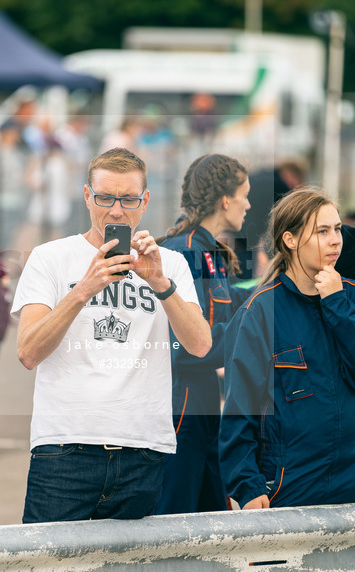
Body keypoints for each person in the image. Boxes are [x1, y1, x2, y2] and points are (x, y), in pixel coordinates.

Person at [12, 147, 212, 523]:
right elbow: (28, 351)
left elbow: (200, 344)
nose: (116, 210)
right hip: (64, 448)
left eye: (128, 199)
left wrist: (160, 284)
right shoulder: (50, 257)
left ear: (145, 201)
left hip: (143, 449)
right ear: (87, 196)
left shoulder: (169, 264)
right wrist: (83, 289)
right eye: (105, 197)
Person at [219, 187, 355, 509]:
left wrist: (336, 304)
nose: (335, 240)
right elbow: (239, 410)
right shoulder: (260, 311)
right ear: (290, 240)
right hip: (285, 488)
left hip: (351, 485)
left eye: (338, 229)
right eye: (322, 231)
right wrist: (248, 486)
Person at [155, 153, 252, 514]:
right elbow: (187, 347)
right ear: (226, 199)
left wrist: (272, 290)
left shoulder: (208, 249)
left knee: (214, 523)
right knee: (176, 522)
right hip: (181, 407)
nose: (248, 203)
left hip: (203, 403)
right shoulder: (185, 250)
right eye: (245, 193)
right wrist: (253, 337)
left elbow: (228, 304)